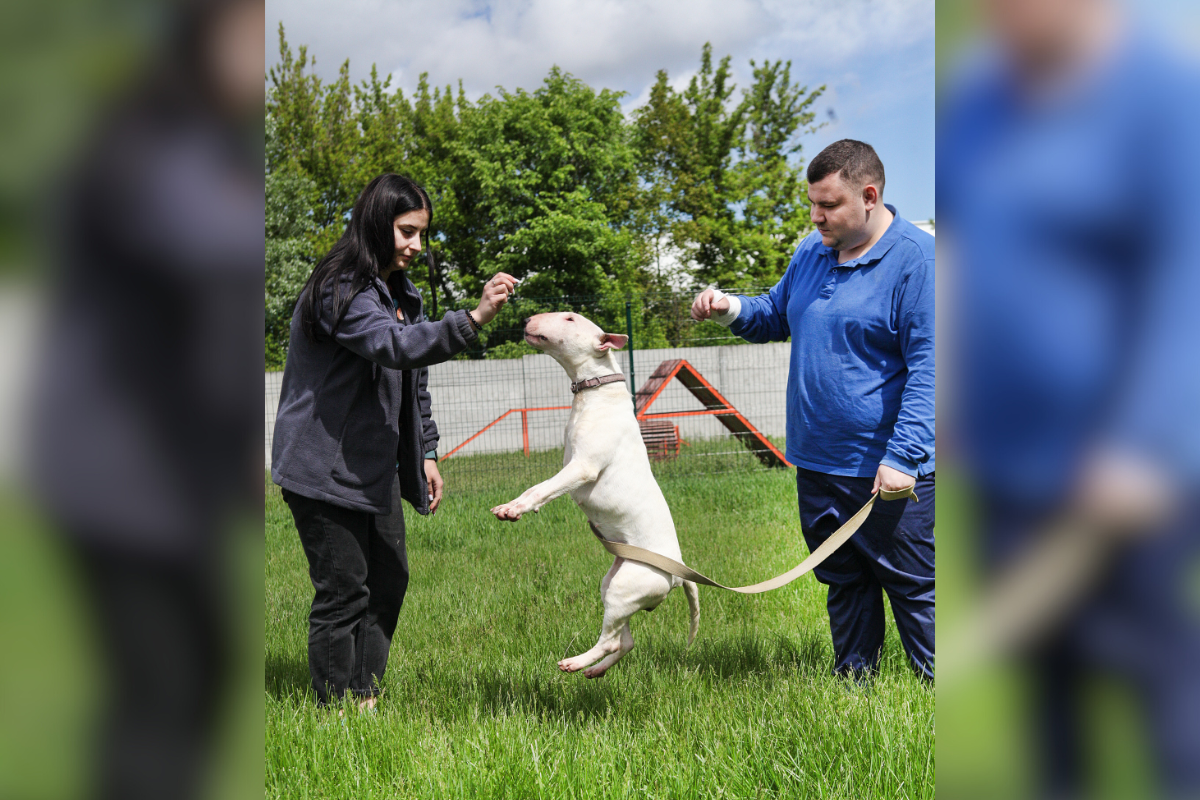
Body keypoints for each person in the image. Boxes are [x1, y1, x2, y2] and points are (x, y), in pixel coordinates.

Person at [691, 139, 935, 679]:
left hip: (889, 470)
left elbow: (934, 371)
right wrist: (730, 308)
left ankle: (938, 700)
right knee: (844, 582)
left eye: (828, 205)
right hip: (818, 464)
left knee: (917, 589)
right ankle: (854, 688)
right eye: (812, 204)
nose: (816, 216)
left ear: (869, 196)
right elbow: (775, 315)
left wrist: (904, 457)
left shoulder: (918, 262)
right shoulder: (812, 251)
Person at [271, 173, 515, 708]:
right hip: (320, 464)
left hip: (374, 463)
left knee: (389, 578)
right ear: (378, 223)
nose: (416, 246)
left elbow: (414, 381)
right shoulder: (340, 286)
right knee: (344, 590)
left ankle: (366, 695)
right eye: (407, 231)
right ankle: (335, 713)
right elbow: (392, 346)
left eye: (422, 234)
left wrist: (425, 452)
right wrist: (473, 319)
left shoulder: (404, 294)